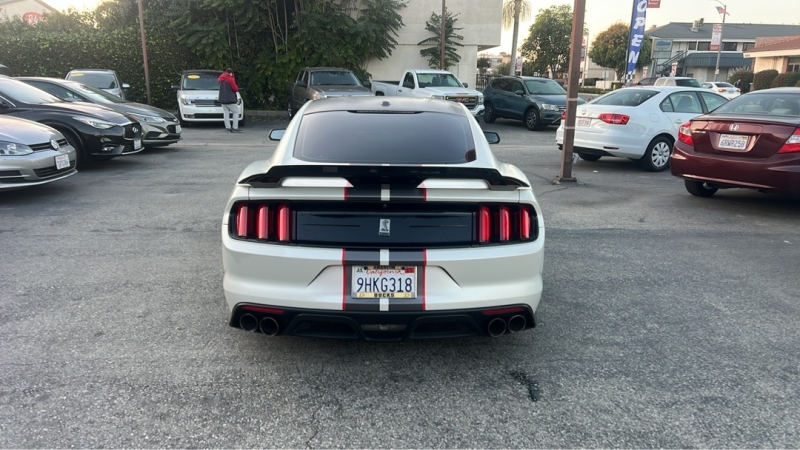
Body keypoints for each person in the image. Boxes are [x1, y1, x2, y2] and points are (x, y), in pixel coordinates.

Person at [218, 68, 241, 132]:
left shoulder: (221, 79)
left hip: (222, 99)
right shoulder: (230, 79)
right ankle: (235, 127)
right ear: (231, 73)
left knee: (226, 114)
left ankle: (228, 127)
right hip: (230, 99)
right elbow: (235, 89)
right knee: (235, 113)